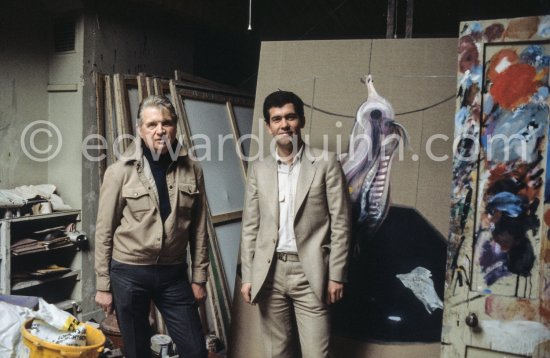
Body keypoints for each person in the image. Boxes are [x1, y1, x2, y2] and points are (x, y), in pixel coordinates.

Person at [94, 95, 209, 358]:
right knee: (137, 351)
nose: (160, 131)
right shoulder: (119, 171)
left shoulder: (193, 170)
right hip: (129, 273)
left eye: (166, 123)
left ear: (175, 125)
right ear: (140, 129)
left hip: (173, 274)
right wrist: (103, 285)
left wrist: (199, 277)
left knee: (195, 349)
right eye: (152, 124)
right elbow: (104, 230)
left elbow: (199, 229)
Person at [240, 90, 352, 358]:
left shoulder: (326, 163)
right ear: (268, 127)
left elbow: (342, 223)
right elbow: (250, 227)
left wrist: (337, 274)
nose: (284, 124)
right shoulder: (259, 169)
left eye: (290, 117)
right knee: (277, 353)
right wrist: (247, 276)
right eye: (276, 119)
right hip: (270, 272)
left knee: (316, 354)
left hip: (311, 271)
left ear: (301, 120)